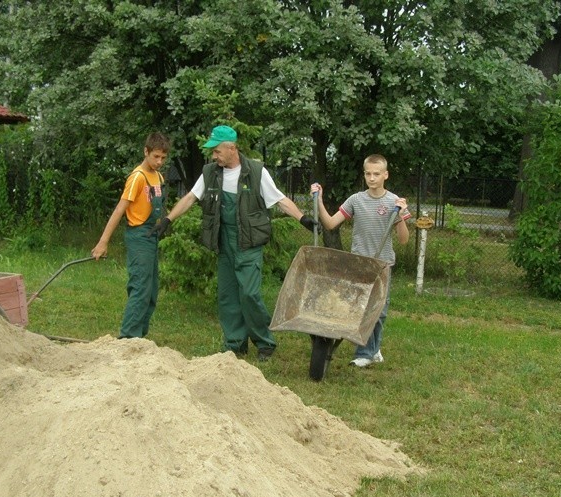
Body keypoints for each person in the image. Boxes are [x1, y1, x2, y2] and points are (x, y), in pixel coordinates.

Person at [152, 125, 315, 361]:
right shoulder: (210, 173)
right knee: (227, 295)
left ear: (232, 148)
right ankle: (235, 343)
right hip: (223, 240)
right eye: (212, 152)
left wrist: (303, 218)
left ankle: (264, 342)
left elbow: (279, 200)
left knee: (249, 294)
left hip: (248, 241)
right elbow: (190, 198)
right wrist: (167, 219)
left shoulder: (256, 172)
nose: (213, 156)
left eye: (217, 151)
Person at [310, 154, 411, 367]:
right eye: (368, 173)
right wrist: (318, 200)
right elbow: (329, 223)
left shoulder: (394, 202)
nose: (372, 178)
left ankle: (371, 350)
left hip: (382, 264)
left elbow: (403, 240)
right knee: (362, 309)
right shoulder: (356, 200)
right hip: (359, 263)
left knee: (379, 311)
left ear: (386, 175)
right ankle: (365, 352)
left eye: (376, 174)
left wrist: (401, 216)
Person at [92, 132, 171, 339]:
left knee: (152, 289)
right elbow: (119, 210)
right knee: (140, 288)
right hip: (138, 236)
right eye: (155, 156)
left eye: (163, 157)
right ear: (146, 152)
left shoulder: (159, 177)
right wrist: (103, 242)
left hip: (152, 235)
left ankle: (140, 338)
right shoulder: (138, 177)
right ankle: (128, 337)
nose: (159, 161)